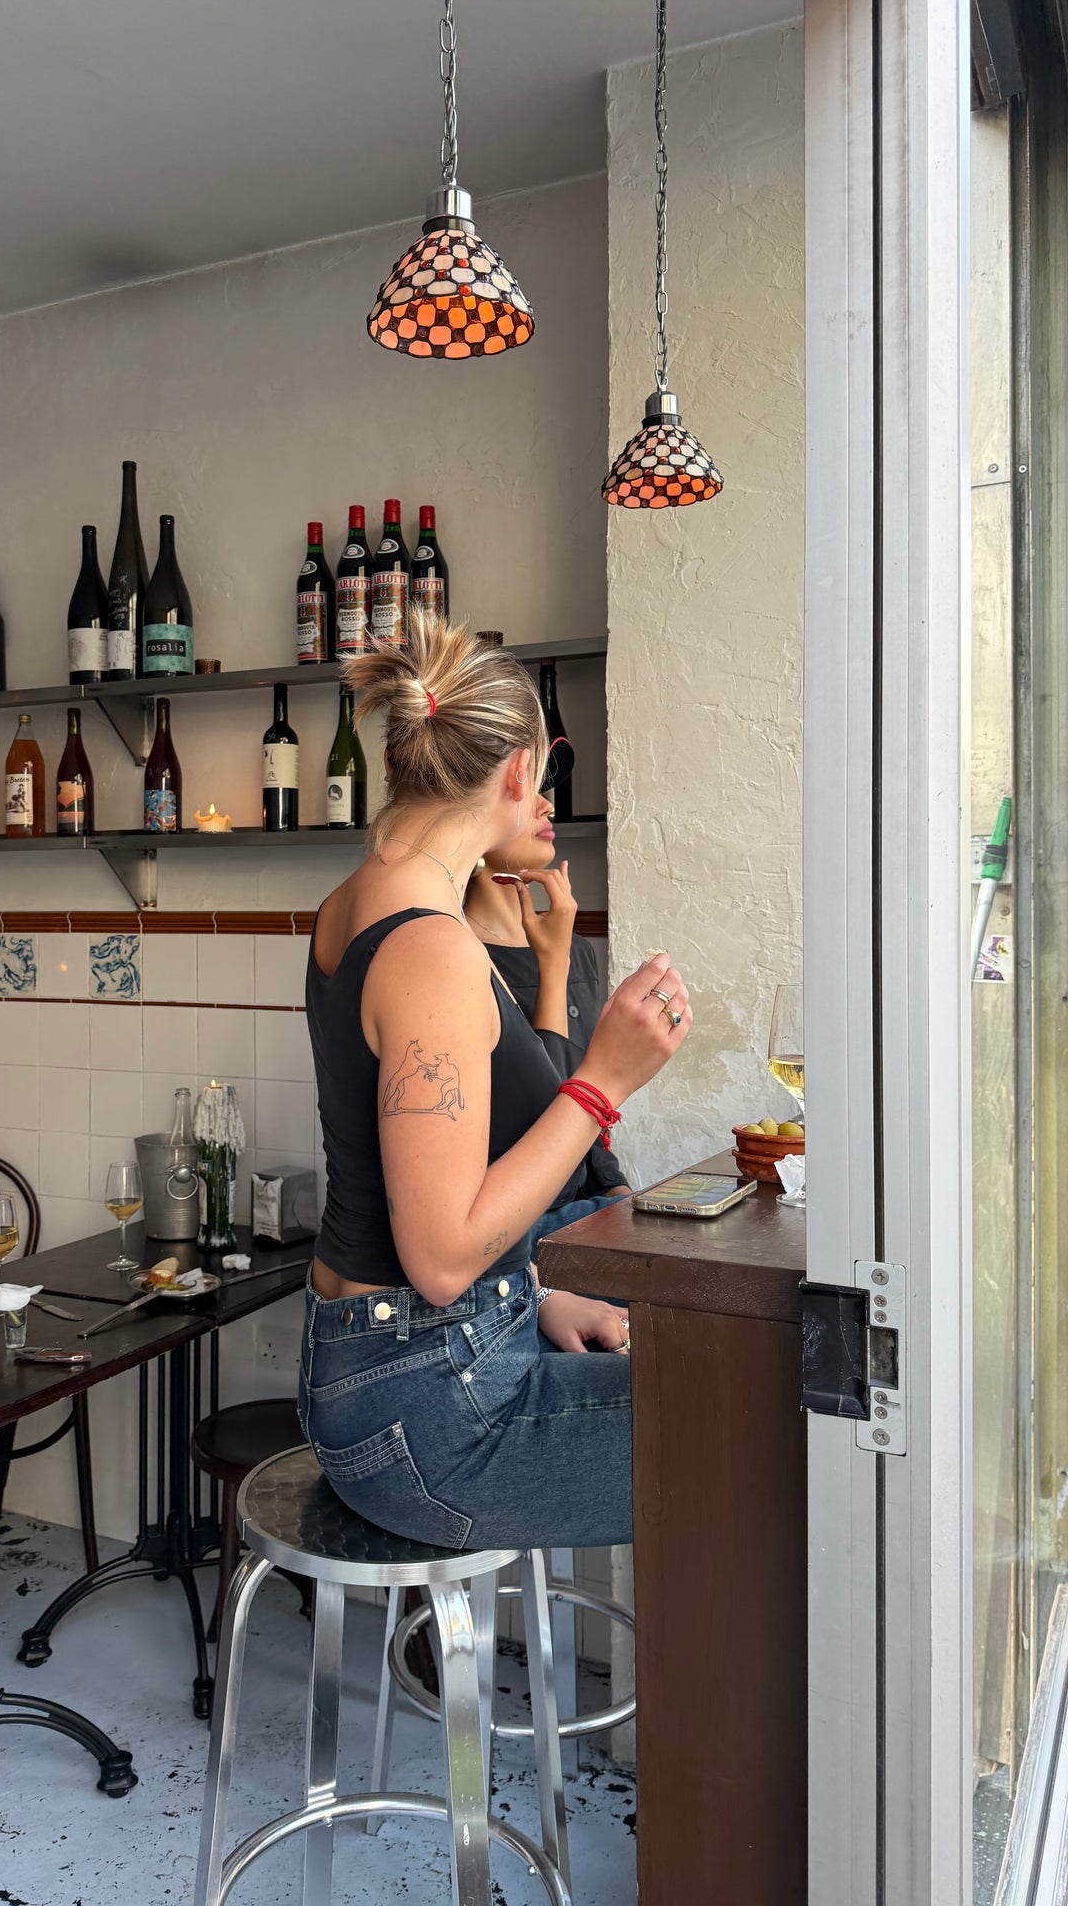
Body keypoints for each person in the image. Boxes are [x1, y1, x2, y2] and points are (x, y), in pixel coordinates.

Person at [299, 616, 693, 1551]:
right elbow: (440, 1259)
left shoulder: (356, 903)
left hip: (394, 1371)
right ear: (520, 772)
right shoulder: (430, 947)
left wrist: (542, 1301)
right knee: (764, 1424)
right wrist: (603, 1081)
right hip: (435, 1413)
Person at [462, 799, 633, 1245]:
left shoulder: (576, 950)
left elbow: (584, 1103)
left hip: (582, 1214)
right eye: (524, 793)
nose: (548, 804)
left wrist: (618, 1194)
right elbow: (542, 1121)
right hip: (510, 1238)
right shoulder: (459, 956)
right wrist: (553, 966)